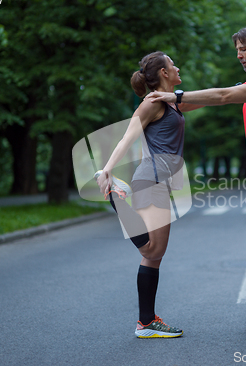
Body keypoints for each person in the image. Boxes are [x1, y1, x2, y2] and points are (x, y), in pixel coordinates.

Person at [147, 23, 246, 331]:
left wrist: (177, 95)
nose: (239, 55)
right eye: (237, 50)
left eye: (243, 49)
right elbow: (200, 102)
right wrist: (166, 100)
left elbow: (223, 95)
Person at [96, 51, 202, 338]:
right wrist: (107, 169)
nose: (178, 67)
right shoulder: (151, 103)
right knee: (153, 250)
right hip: (151, 179)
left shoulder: (172, 103)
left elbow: (209, 98)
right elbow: (126, 136)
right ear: (164, 73)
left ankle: (146, 322)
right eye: (173, 64)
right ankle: (117, 197)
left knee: (153, 256)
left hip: (160, 180)